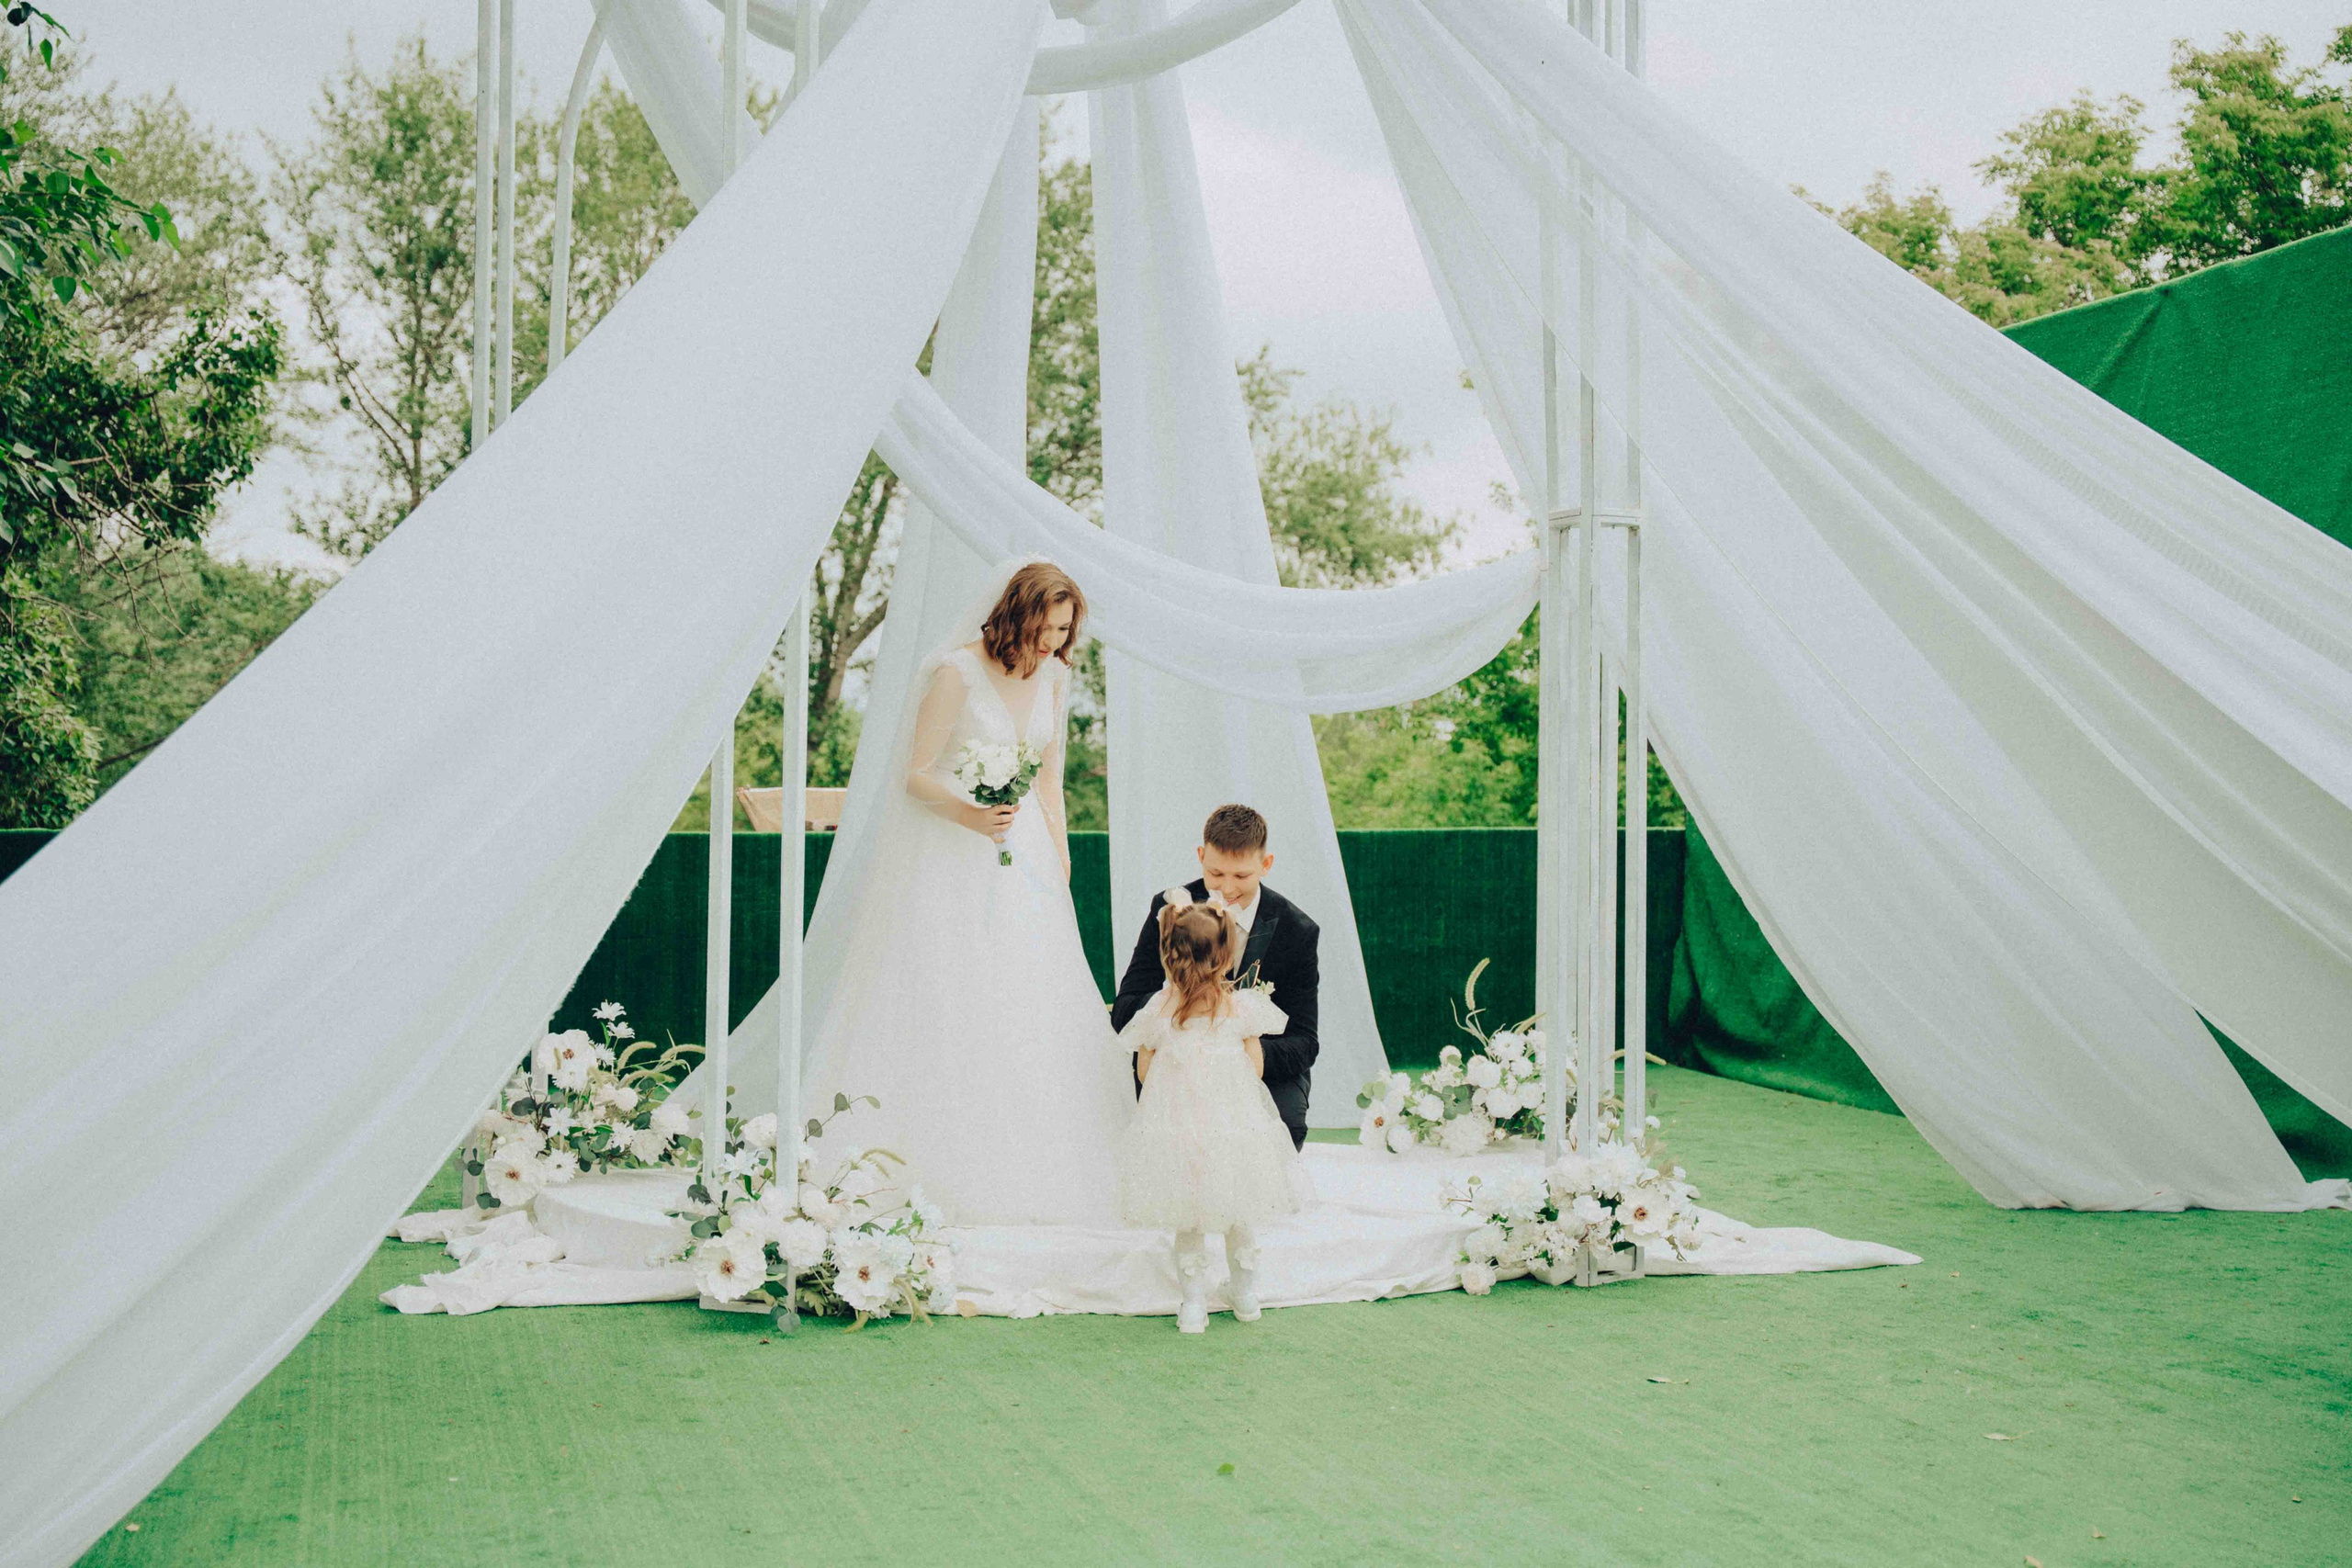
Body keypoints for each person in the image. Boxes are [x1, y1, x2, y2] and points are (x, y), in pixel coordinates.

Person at [797, 559, 1132, 1226]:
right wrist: (971, 817)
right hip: (950, 850)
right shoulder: (956, 671)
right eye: (1046, 627)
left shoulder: (1056, 677)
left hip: (1026, 856)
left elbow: (1050, 780)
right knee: (947, 992)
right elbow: (913, 776)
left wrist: (1060, 863)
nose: (1052, 643)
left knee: (1027, 996)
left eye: (1064, 631)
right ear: (1018, 612)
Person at [1116, 890, 1310, 1332]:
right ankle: (1245, 1297)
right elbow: (1257, 1064)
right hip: (1231, 1128)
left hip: (1178, 1128)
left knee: (1188, 1216)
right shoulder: (1240, 1007)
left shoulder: (1158, 1012)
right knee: (1238, 1209)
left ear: (1169, 957)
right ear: (1226, 959)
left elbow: (1145, 1073)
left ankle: (1193, 1306)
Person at [1110, 804, 1321, 1149]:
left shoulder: (1297, 931)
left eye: (1242, 876)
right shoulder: (1169, 910)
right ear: (1200, 856)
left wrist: (1233, 1054)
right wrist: (1182, 1008)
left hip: (1255, 1062)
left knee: (1280, 1131)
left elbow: (1304, 1040)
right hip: (1177, 1059)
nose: (1225, 888)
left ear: (1265, 865)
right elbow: (1126, 1008)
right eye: (1215, 873)